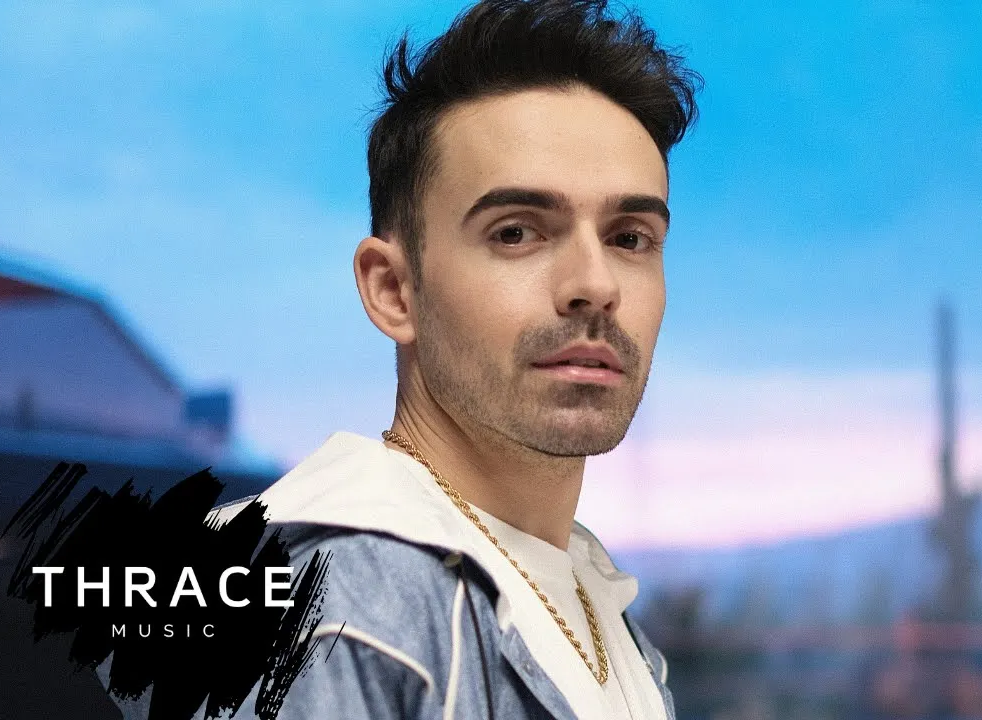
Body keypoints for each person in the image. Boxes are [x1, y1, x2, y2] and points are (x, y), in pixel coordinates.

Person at [113, 2, 699, 718]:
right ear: (394, 290)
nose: (595, 285)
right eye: (516, 232)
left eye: (630, 237)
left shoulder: (600, 610)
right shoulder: (330, 609)